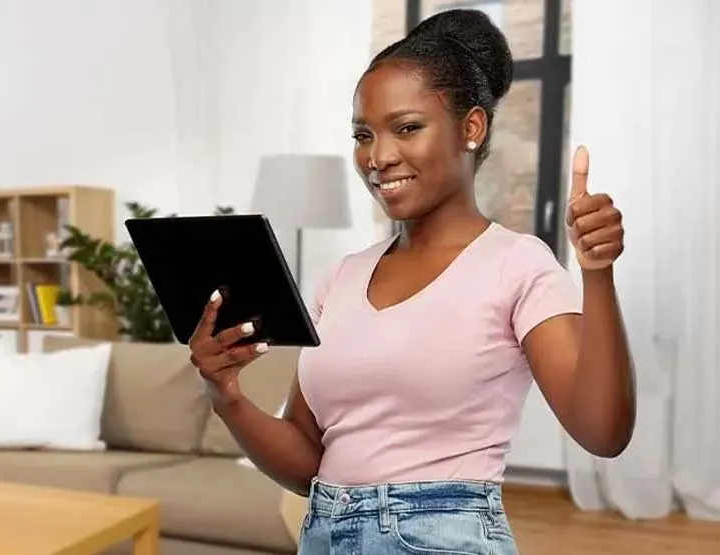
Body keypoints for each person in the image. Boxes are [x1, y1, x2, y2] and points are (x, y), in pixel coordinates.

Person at [188, 8, 635, 555]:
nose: (377, 157)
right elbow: (309, 462)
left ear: (471, 127)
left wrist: (596, 273)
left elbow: (603, 432)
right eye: (362, 134)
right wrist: (226, 394)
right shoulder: (343, 277)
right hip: (324, 535)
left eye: (406, 128)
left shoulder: (517, 264)